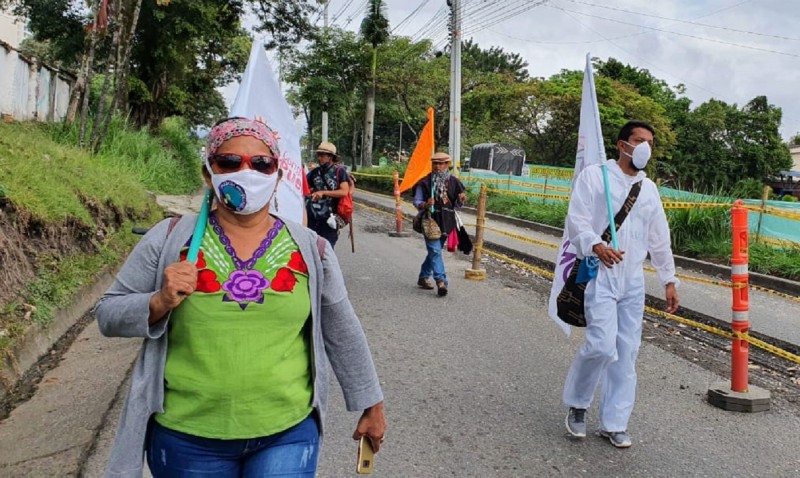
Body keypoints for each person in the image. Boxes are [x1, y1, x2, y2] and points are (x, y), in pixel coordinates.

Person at [94, 117, 386, 477]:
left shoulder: (312, 249)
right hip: (186, 437)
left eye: (262, 164)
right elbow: (108, 314)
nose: (246, 172)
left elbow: (343, 331)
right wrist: (158, 302)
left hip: (288, 434)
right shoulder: (170, 240)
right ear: (208, 174)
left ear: (277, 176)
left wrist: (371, 403)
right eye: (229, 162)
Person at [562, 120, 679, 448]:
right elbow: (577, 219)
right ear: (621, 144)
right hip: (601, 275)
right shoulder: (596, 176)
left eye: (650, 142)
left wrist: (669, 279)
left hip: (633, 281)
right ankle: (578, 405)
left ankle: (614, 422)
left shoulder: (650, 189)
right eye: (639, 140)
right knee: (601, 345)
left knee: (627, 352)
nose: (645, 147)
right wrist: (596, 245)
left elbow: (659, 239)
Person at [413, 151, 466, 297]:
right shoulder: (424, 182)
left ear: (447, 164)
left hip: (447, 221)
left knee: (434, 251)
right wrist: (425, 204)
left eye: (441, 163)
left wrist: (461, 199)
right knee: (435, 250)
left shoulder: (455, 182)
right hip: (430, 220)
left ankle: (423, 277)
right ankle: (441, 281)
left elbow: (458, 205)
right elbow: (416, 202)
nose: (437, 166)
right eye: (435, 163)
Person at [306, 141, 350, 248]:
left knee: (326, 250)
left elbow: (344, 191)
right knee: (312, 248)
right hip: (313, 217)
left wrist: (323, 192)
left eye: (322, 155)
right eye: (318, 155)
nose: (319, 158)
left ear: (330, 157)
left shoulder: (339, 172)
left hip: (330, 218)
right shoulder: (314, 172)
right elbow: (305, 187)